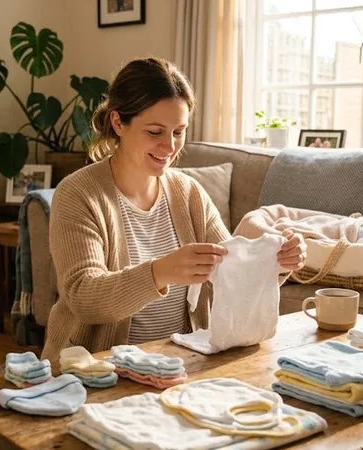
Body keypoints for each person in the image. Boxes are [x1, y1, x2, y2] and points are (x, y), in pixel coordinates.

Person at [39, 57, 308, 361]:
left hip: (175, 365)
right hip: (95, 370)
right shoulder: (78, 194)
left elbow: (230, 271)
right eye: (155, 132)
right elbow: (83, 297)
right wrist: (160, 272)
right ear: (118, 123)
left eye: (178, 132)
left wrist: (275, 262)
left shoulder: (188, 192)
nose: (170, 146)